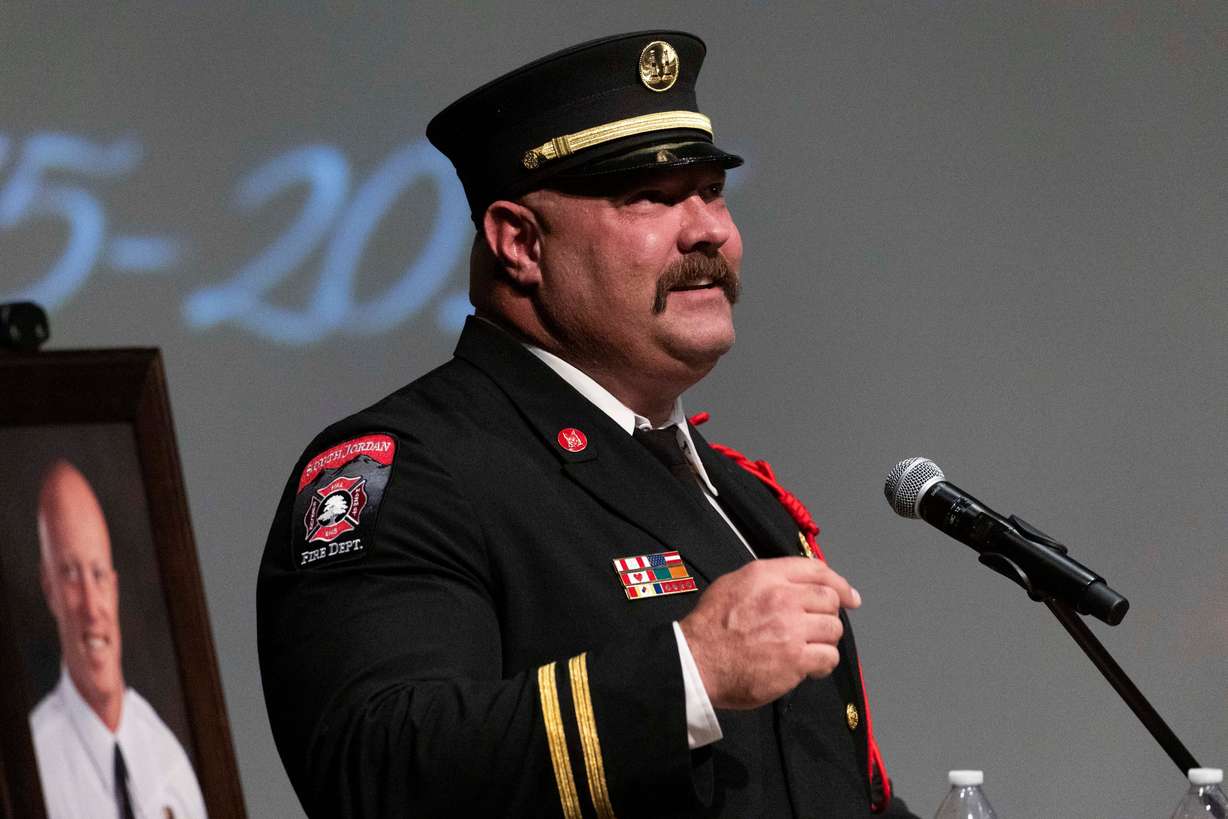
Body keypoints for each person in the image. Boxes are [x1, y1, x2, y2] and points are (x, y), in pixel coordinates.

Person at [258, 30, 917, 818]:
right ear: (519, 243)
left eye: (711, 190)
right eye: (652, 196)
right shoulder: (404, 470)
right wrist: (689, 672)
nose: (707, 229)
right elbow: (377, 767)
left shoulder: (744, 499)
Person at [30, 459, 207, 819]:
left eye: (97, 574)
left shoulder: (167, 756)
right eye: (71, 576)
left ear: (114, 587)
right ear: (50, 591)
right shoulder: (37, 764)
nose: (92, 608)